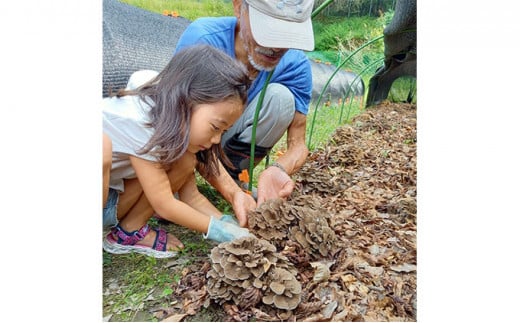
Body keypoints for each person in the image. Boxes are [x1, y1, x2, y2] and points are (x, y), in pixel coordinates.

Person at [102, 44, 253, 259]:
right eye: (215, 127)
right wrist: (221, 233)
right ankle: (130, 233)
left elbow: (190, 195)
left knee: (184, 161)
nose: (217, 139)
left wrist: (225, 222)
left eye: (224, 131)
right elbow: (164, 204)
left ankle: (129, 229)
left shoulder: (164, 99)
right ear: (186, 100)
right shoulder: (141, 123)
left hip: (112, 194)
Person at [174, 0, 316, 226]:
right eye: (269, 30)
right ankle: (183, 181)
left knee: (281, 99)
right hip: (193, 137)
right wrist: (232, 194)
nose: (277, 47)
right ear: (239, 8)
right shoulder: (204, 41)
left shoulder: (295, 64)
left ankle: (232, 174)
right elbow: (179, 125)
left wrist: (278, 169)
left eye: (288, 33)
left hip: (223, 138)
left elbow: (298, 144)